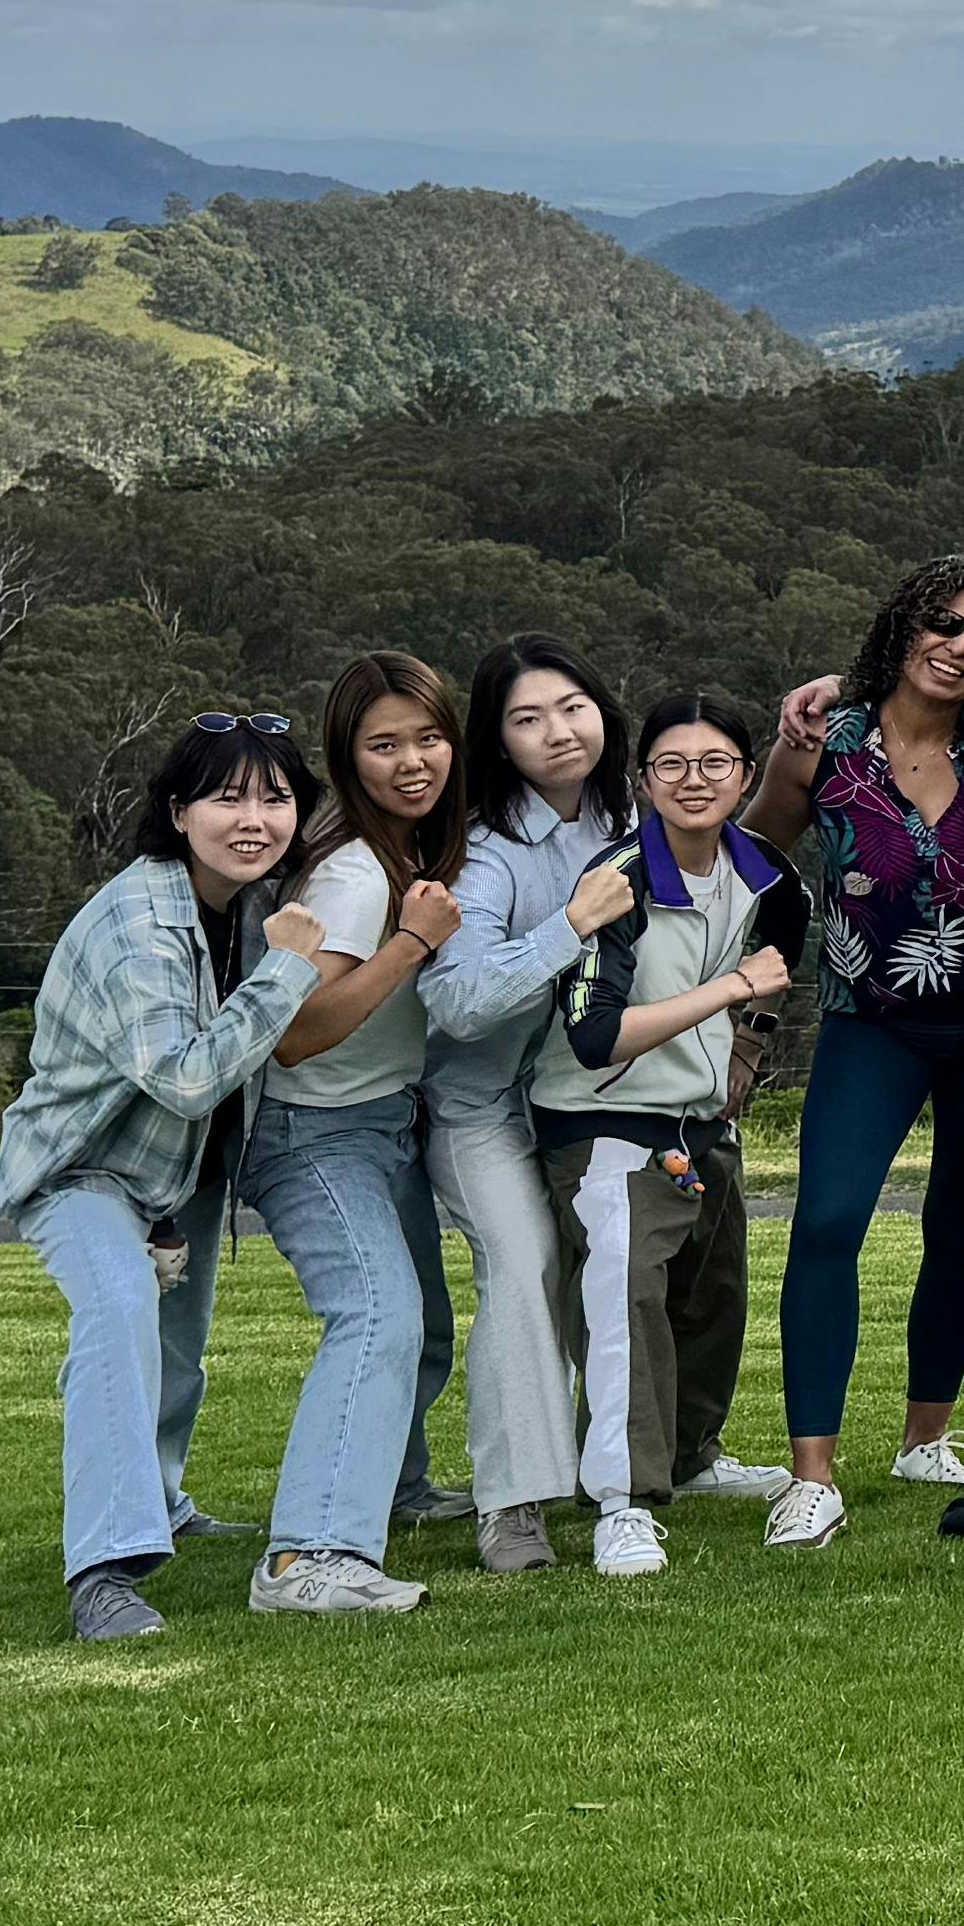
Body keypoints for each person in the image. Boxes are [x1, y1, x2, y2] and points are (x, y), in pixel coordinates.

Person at [0, 714, 413, 1639]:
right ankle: (104, 1574)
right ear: (178, 811)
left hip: (180, 1177)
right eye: (227, 798)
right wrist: (289, 968)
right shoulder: (138, 925)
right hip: (84, 1167)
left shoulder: (251, 904)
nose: (253, 820)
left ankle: (164, 1501)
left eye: (276, 799)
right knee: (118, 1317)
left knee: (175, 1352)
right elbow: (183, 1078)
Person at [743, 558, 964, 1547]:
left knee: (961, 1228)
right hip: (869, 1025)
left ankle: (925, 1437)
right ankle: (811, 1476)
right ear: (905, 622)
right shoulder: (822, 744)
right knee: (827, 1223)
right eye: (943, 623)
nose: (959, 647)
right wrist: (741, 1006)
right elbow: (751, 865)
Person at [264, 653, 565, 1568]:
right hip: (316, 1128)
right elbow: (297, 1032)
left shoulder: (419, 851)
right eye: (383, 745)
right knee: (383, 1314)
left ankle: (399, 1488)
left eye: (429, 738)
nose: (412, 763)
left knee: (424, 1320)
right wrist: (410, 943)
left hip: (390, 1115)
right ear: (345, 757)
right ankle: (315, 1550)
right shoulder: (357, 874)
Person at [541, 691, 794, 1577]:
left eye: (715, 763)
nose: (694, 780)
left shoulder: (760, 869)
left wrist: (750, 1044)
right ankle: (621, 1500)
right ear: (643, 779)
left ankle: (690, 1457)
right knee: (625, 1297)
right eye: (672, 765)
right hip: (606, 1120)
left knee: (710, 1297)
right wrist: (730, 993)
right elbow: (594, 1034)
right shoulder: (617, 880)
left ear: (745, 776)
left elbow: (788, 934)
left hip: (699, 1117)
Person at [413, 635, 635, 1577]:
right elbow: (457, 1001)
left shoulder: (626, 816)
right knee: (524, 1265)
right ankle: (512, 1504)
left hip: (588, 1100)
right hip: (480, 1109)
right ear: (496, 741)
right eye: (527, 718)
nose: (559, 731)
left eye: (573, 707)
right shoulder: (486, 851)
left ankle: (665, 1459)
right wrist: (570, 924)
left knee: (635, 1262)